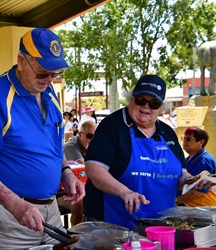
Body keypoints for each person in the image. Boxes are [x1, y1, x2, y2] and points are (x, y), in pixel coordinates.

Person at [0, 28, 85, 249]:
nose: (49, 80)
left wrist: (66, 172)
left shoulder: (49, 93)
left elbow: (54, 149)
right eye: (42, 72)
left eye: (55, 73)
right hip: (7, 215)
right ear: (21, 61)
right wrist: (16, 205)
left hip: (50, 211)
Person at [83, 75, 212, 230]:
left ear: (160, 108)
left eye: (154, 103)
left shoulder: (167, 132)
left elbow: (180, 175)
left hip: (160, 225)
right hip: (113, 224)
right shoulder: (112, 127)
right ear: (131, 99)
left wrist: (192, 182)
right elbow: (94, 170)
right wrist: (124, 192)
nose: (146, 107)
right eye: (140, 100)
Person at [61, 120, 97, 226]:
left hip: (83, 186)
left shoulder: (92, 145)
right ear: (80, 134)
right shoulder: (70, 146)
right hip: (64, 191)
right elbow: (87, 167)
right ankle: (76, 236)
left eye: (96, 136)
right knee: (80, 203)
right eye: (89, 136)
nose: (93, 140)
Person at [176, 126, 216, 206]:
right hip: (189, 208)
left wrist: (176, 201)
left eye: (188, 139)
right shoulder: (187, 160)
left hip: (202, 209)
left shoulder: (205, 161)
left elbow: (198, 191)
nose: (184, 141)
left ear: (201, 142)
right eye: (183, 138)